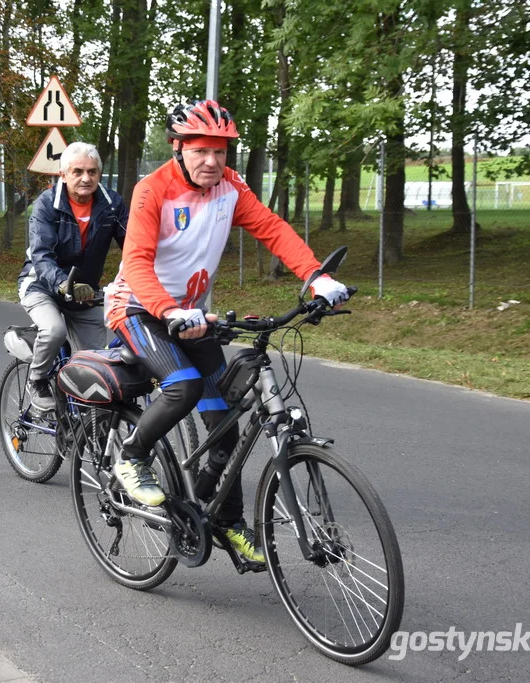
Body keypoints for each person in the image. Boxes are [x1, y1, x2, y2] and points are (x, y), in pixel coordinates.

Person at [103, 100, 351, 563]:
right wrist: (168, 309)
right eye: (200, 151)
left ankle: (223, 518)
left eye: (221, 151)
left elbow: (272, 229)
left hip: (190, 316)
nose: (212, 161)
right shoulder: (150, 190)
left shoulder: (230, 187)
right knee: (183, 386)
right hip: (137, 308)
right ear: (177, 148)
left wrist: (316, 277)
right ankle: (132, 456)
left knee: (225, 427)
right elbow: (135, 262)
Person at [16, 141, 128, 411]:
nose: (85, 178)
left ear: (99, 174)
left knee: (96, 364)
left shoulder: (112, 204)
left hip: (84, 293)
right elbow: (41, 255)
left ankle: (88, 426)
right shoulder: (47, 204)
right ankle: (38, 380)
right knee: (54, 330)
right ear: (63, 175)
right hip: (41, 285)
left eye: (92, 171)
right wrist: (64, 284)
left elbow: (135, 246)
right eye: (77, 171)